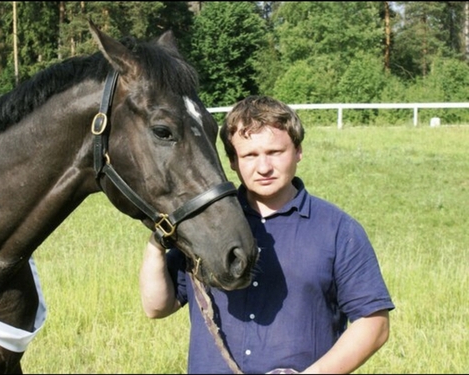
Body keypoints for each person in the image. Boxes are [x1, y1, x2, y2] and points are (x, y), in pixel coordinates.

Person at [139, 95, 395, 374]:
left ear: (298, 151)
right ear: (232, 162)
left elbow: (374, 324)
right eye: (249, 155)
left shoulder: (338, 230)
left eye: (275, 152)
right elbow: (157, 307)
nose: (263, 168)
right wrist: (156, 243)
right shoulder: (208, 225)